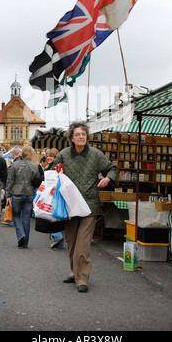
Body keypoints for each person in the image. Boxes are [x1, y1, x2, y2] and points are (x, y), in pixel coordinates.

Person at [52, 121, 117, 293]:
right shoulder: (63, 155)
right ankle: (74, 272)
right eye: (78, 134)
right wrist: (56, 174)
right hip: (70, 204)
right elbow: (53, 173)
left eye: (84, 134)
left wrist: (108, 179)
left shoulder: (95, 154)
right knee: (71, 241)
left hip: (89, 204)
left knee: (83, 243)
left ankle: (83, 279)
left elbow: (112, 168)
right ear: (72, 138)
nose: (81, 137)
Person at [6, 145, 43, 248]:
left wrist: (8, 195)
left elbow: (10, 181)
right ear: (30, 155)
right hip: (29, 193)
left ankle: (21, 234)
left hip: (17, 193)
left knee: (16, 216)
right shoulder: (34, 167)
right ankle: (25, 243)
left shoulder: (15, 165)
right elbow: (37, 181)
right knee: (26, 218)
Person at [45, 148, 64, 249]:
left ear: (55, 157)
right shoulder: (53, 166)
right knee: (57, 216)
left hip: (53, 195)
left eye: (51, 156)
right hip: (54, 194)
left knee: (51, 216)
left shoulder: (55, 167)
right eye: (47, 155)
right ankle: (58, 241)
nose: (48, 157)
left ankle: (57, 236)